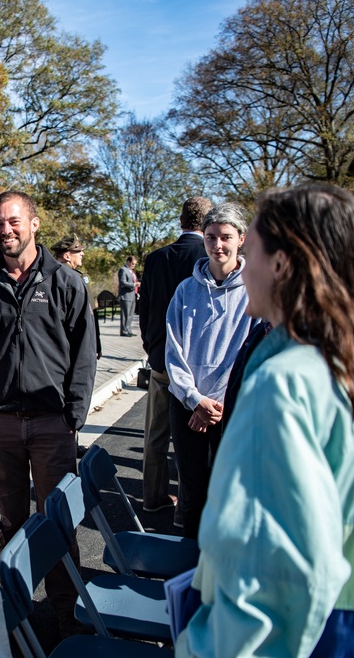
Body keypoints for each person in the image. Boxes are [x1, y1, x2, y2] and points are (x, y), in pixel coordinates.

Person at [178, 184, 354, 657]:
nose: (242, 261)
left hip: (312, 628)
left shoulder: (285, 382)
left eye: (252, 247)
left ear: (282, 264)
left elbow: (273, 575)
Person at [0, 191, 97, 634]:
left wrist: (73, 417)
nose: (5, 230)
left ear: (34, 224)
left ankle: (65, 612)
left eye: (13, 221)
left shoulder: (66, 283)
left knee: (57, 524)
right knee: (12, 524)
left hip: (52, 424)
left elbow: (85, 355)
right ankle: (14, 614)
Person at [165, 202, 253, 539]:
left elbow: (249, 352)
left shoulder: (254, 292)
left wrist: (215, 403)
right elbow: (174, 352)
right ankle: (191, 565)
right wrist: (194, 399)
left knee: (230, 489)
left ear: (241, 239)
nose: (218, 245)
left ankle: (224, 565)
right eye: (211, 237)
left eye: (226, 237)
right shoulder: (186, 291)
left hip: (231, 408)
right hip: (188, 406)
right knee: (192, 489)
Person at [137, 196, 210, 515]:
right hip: (200, 365)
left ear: (180, 222)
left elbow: (145, 310)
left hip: (162, 361)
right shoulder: (211, 256)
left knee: (156, 433)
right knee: (196, 438)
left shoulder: (155, 259)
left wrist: (151, 344)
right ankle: (191, 506)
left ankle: (152, 495)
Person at [51, 234, 102, 360]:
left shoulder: (47, 276)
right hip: (74, 345)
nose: (82, 254)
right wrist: (96, 345)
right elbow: (90, 315)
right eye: (78, 251)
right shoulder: (75, 279)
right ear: (67, 256)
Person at [117, 255, 139, 336]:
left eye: (135, 264)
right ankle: (124, 331)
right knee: (125, 314)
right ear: (128, 262)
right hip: (125, 296)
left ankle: (128, 330)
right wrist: (134, 284)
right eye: (132, 264)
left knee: (130, 314)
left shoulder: (131, 271)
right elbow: (123, 282)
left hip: (132, 295)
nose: (133, 265)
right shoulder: (123, 270)